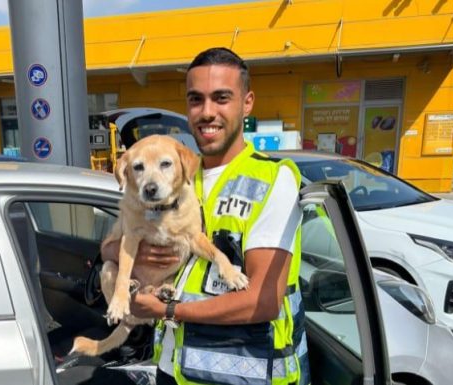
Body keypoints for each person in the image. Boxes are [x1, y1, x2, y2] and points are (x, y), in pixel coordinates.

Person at [71, 47, 309, 385]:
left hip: (246, 375)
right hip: (175, 368)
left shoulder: (272, 179)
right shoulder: (176, 170)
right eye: (196, 100)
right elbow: (119, 240)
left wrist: (167, 310)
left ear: (247, 102)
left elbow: (263, 301)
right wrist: (120, 252)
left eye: (221, 98)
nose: (207, 112)